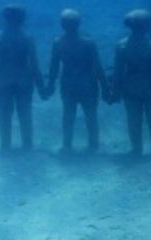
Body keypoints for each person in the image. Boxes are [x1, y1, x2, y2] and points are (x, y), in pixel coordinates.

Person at [0, 4, 45, 151]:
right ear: (22, 19)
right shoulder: (28, 38)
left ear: (4, 18)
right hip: (24, 78)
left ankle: (5, 145)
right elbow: (34, 65)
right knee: (25, 113)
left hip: (3, 78)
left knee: (4, 113)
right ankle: (27, 144)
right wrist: (41, 86)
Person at [44, 9, 108, 152]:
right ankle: (93, 144)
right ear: (79, 24)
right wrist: (105, 88)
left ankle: (67, 144)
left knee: (68, 115)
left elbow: (53, 67)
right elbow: (98, 67)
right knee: (91, 116)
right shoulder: (89, 43)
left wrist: (50, 85)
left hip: (68, 84)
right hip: (88, 84)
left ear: (62, 24)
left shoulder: (58, 43)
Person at [111, 9, 151, 156]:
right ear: (146, 26)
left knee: (133, 121)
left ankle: (136, 149)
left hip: (130, 88)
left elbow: (118, 73)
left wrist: (115, 92)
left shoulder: (121, 45)